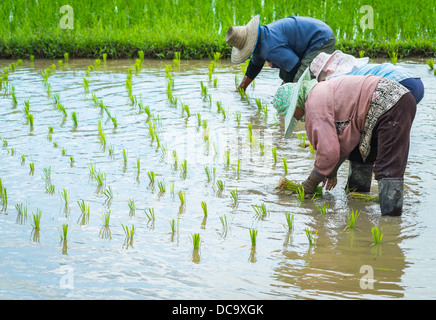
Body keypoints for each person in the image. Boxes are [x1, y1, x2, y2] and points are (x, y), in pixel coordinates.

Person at [272, 68, 416, 216]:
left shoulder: (313, 103)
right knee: (360, 155)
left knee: (388, 167)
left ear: (295, 104)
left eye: (290, 113)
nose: (295, 117)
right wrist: (332, 170)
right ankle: (358, 202)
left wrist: (309, 185)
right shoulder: (321, 92)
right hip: (393, 101)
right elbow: (344, 141)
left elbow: (328, 152)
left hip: (390, 104)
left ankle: (391, 223)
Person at [225, 15, 335, 91]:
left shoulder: (269, 47)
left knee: (301, 81)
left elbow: (294, 67)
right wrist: (241, 89)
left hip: (321, 38)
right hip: (308, 39)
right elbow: (254, 67)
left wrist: (282, 92)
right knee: (285, 73)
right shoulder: (261, 38)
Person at [310, 50, 425, 104]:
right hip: (416, 81)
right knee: (397, 126)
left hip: (398, 85)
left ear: (325, 73)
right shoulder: (355, 68)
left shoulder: (336, 80)